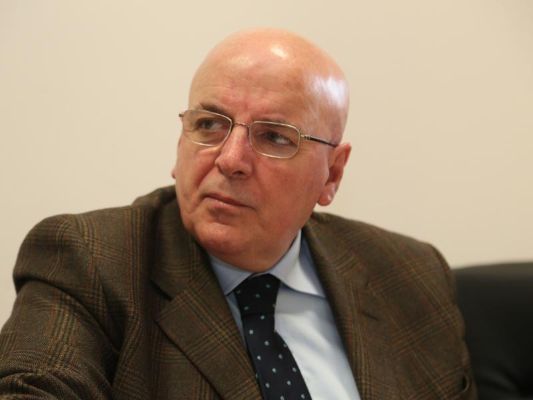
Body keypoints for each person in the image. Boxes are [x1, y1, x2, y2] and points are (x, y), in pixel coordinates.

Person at [0, 28, 476, 399]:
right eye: (209, 124)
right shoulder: (90, 262)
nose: (230, 160)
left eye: (274, 137)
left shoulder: (411, 276)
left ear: (332, 174)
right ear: (181, 141)